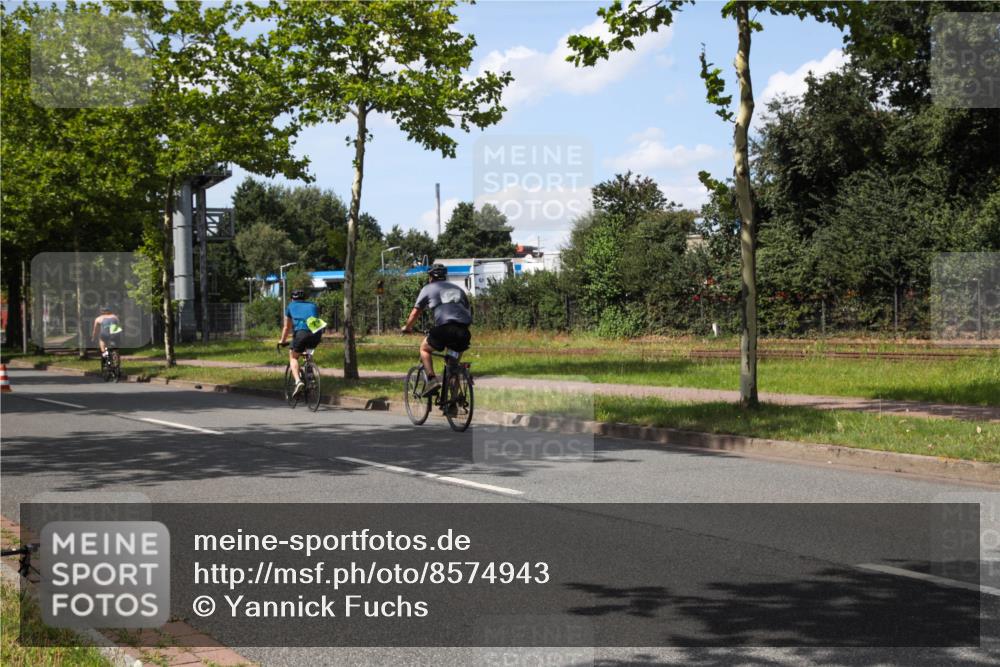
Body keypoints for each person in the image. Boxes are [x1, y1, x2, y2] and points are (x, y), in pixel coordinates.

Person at [401, 263, 472, 396]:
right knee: (453, 366)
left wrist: (407, 327)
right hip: (463, 332)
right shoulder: (458, 289)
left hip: (445, 328)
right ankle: (453, 402)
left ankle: (432, 381)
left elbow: (415, 313)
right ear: (444, 276)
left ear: (430, 277)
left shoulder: (428, 288)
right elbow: (467, 310)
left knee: (424, 348)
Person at [279, 289, 323, 396]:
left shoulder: (290, 306)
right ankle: (310, 376)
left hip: (302, 331)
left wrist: (282, 341)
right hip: (317, 330)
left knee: (293, 356)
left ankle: (298, 381)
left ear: (292, 298)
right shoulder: (313, 305)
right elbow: (315, 319)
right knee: (307, 352)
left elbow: (286, 327)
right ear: (304, 298)